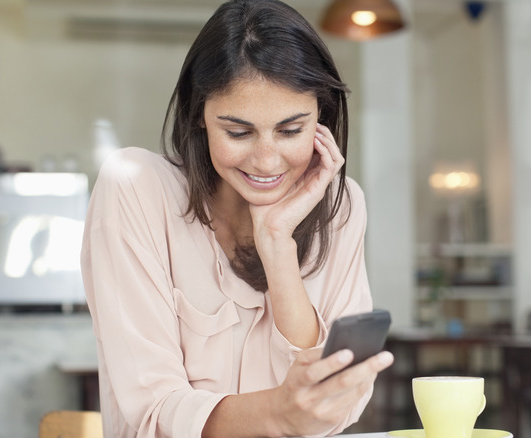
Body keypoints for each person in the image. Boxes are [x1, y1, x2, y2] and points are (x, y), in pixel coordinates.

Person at [80, 1, 394, 437]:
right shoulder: (136, 188)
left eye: (291, 130)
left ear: (321, 118)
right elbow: (151, 411)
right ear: (200, 119)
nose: (267, 161)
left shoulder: (340, 208)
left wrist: (278, 242)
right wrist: (280, 414)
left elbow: (335, 402)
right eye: (238, 132)